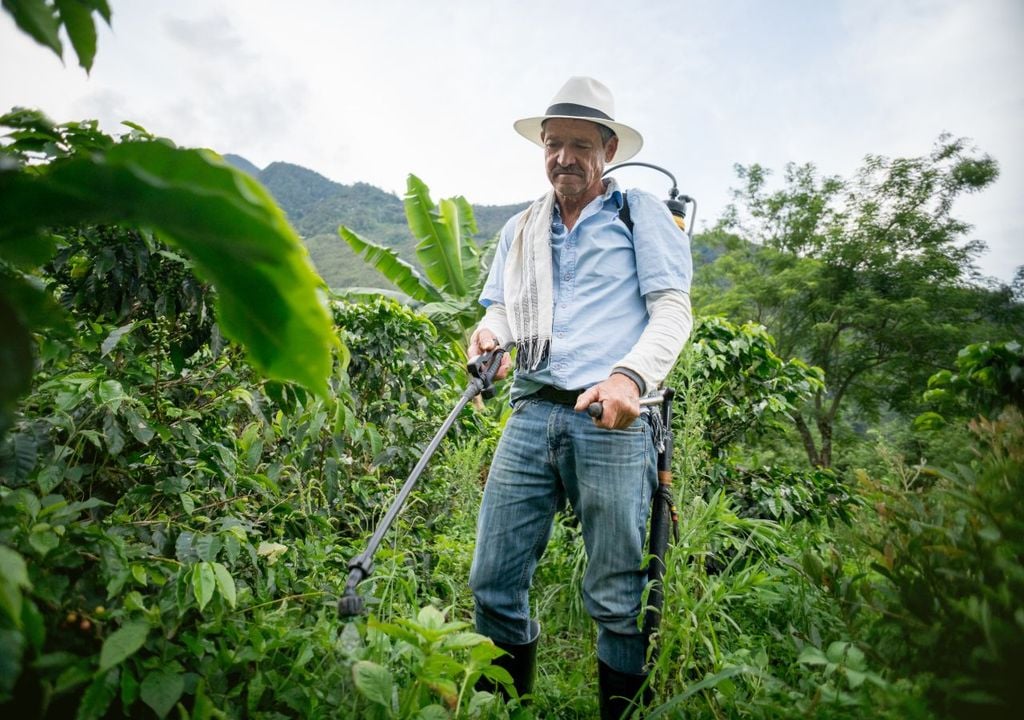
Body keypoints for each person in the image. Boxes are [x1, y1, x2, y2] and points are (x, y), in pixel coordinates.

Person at [467, 76, 693, 718]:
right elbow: (504, 312)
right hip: (533, 411)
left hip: (614, 418)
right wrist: (489, 337)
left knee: (621, 594)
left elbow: (673, 312)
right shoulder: (521, 228)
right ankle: (507, 709)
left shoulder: (639, 213)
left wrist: (629, 379)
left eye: (579, 144)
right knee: (493, 581)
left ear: (609, 148)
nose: (563, 157)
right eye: (552, 143)